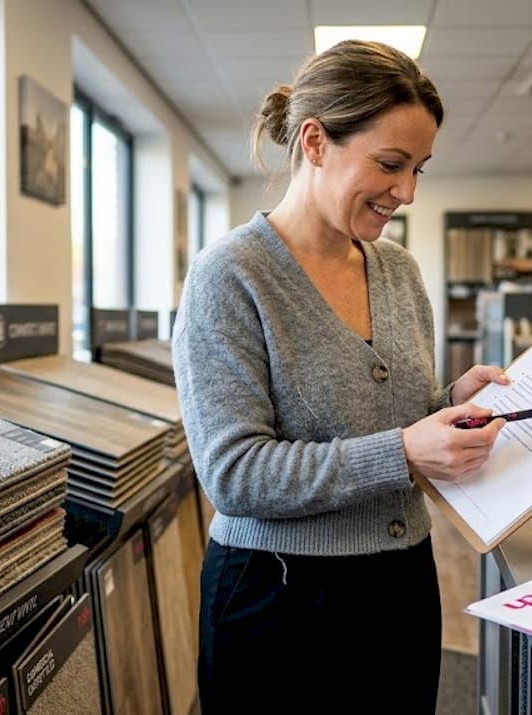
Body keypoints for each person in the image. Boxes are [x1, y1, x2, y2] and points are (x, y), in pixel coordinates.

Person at [171, 40, 511, 714]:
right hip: (277, 599)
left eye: (418, 169)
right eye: (390, 164)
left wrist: (452, 405)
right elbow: (234, 473)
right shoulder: (231, 276)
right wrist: (406, 450)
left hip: (402, 583)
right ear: (316, 141)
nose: (407, 192)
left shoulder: (400, 273)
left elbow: (392, 421)